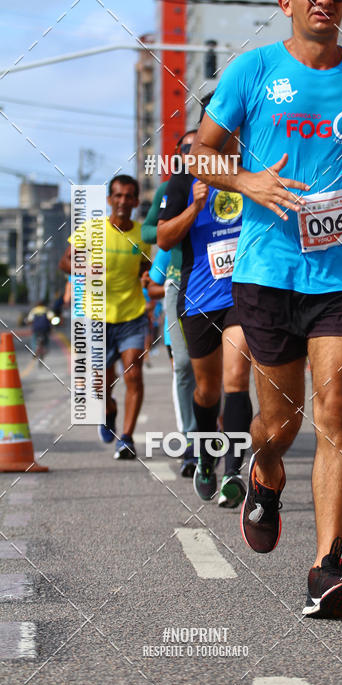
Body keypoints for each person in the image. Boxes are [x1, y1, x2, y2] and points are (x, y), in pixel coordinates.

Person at [188, 0, 342, 618]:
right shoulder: (252, 71)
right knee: (278, 423)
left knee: (337, 406)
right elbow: (199, 153)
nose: (324, 0)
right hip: (269, 275)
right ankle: (263, 476)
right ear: (285, 0)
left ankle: (328, 566)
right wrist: (247, 178)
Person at [157, 121, 253, 506]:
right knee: (206, 388)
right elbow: (163, 237)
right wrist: (195, 206)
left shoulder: (250, 170)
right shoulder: (183, 180)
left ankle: (233, 470)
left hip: (243, 295)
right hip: (198, 298)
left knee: (236, 377)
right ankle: (204, 457)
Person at [59, 175, 151, 459]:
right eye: (118, 196)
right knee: (101, 385)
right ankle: (108, 412)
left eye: (129, 196)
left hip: (131, 315)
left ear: (136, 201)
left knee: (133, 374)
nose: (123, 201)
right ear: (110, 200)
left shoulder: (141, 235)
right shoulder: (91, 230)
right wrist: (83, 269)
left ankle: (126, 438)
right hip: (96, 318)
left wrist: (148, 278)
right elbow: (64, 261)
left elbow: (144, 269)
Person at [141, 135, 197, 456]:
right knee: (184, 364)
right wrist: (176, 225)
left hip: (223, 284)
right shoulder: (170, 188)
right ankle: (191, 438)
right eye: (187, 148)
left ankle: (224, 437)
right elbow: (151, 231)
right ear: (178, 154)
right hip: (179, 281)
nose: (193, 152)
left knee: (229, 368)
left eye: (198, 145)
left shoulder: (227, 178)